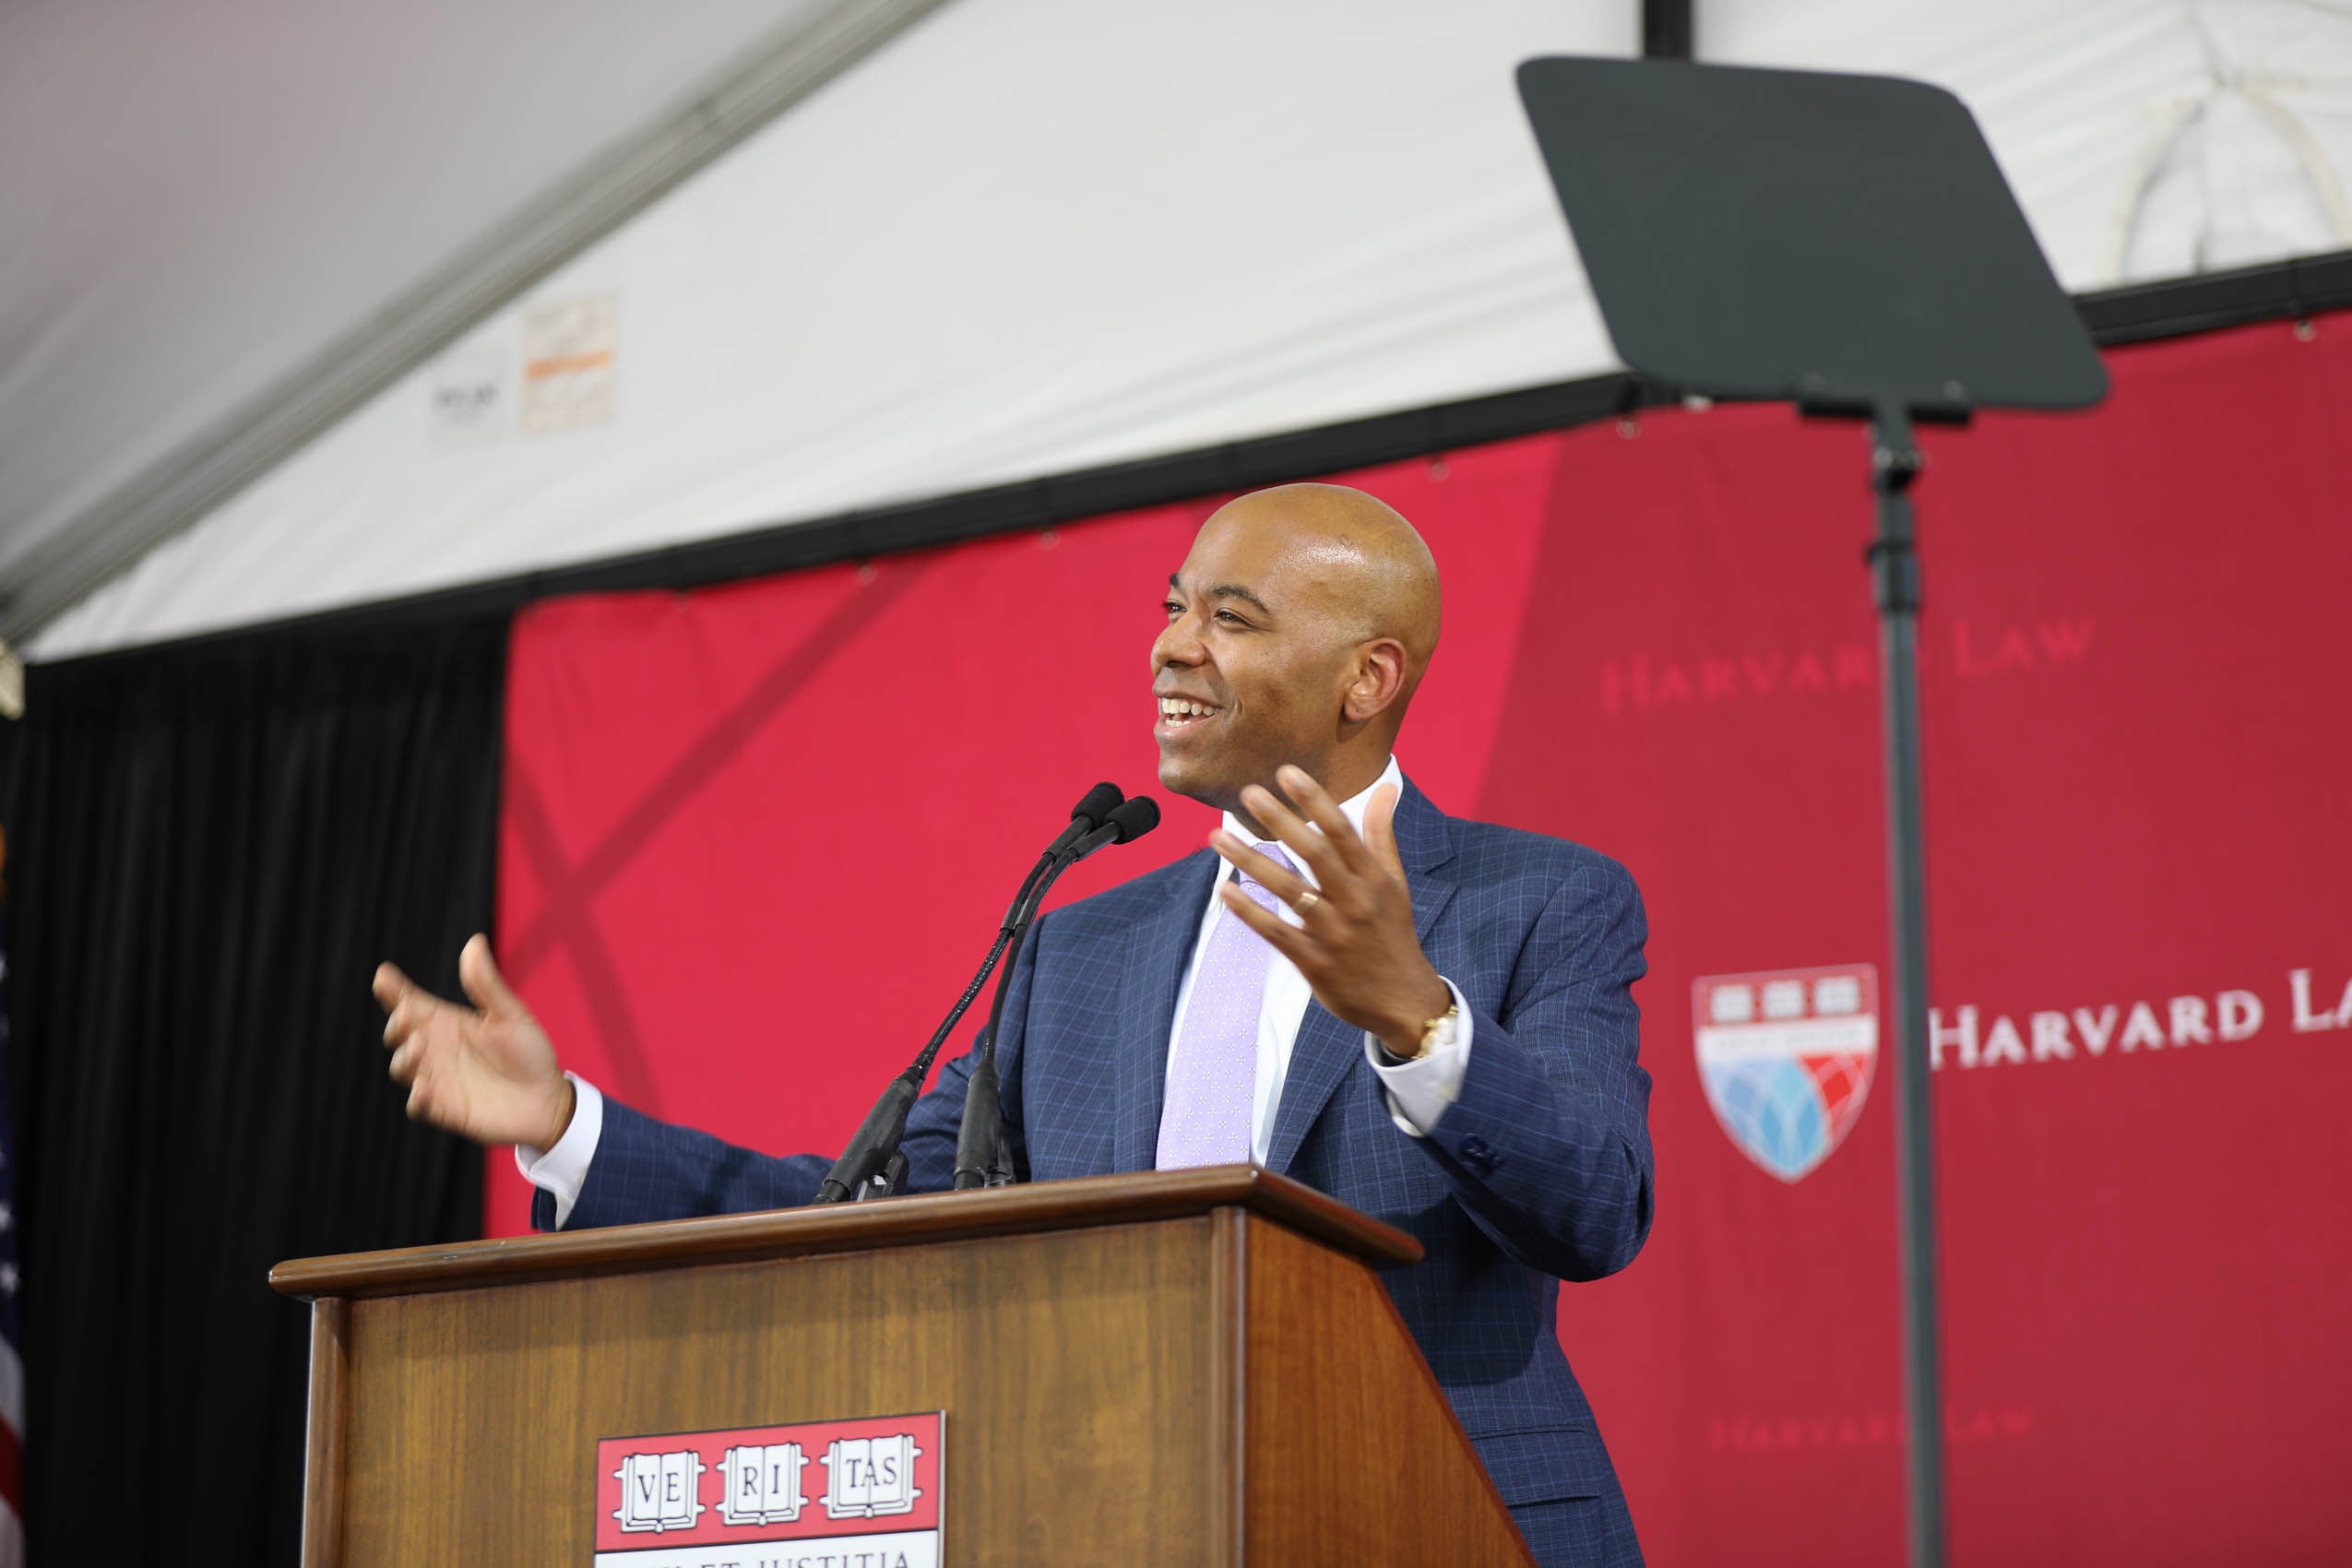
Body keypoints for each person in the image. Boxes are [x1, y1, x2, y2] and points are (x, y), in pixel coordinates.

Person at [375, 482, 1654, 1566]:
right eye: (1169, 607)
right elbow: (871, 1219)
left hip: (1439, 1519)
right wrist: (568, 1130)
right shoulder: (1079, 945)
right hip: (1125, 1519)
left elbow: (1593, 1207)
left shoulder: (1535, 902)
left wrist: (1417, 1024)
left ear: (1366, 676)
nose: (1169, 645)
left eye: (1229, 617)